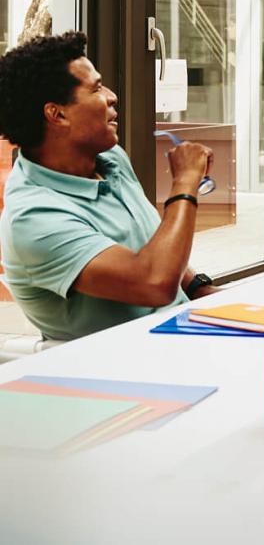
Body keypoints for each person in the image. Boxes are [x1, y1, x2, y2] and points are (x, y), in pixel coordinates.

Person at [0, 32, 217, 341]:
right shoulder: (33, 219)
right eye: (97, 88)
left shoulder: (109, 158)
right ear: (57, 114)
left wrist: (206, 290)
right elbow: (154, 281)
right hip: (118, 370)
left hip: (182, 338)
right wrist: (185, 183)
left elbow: (155, 247)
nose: (112, 95)